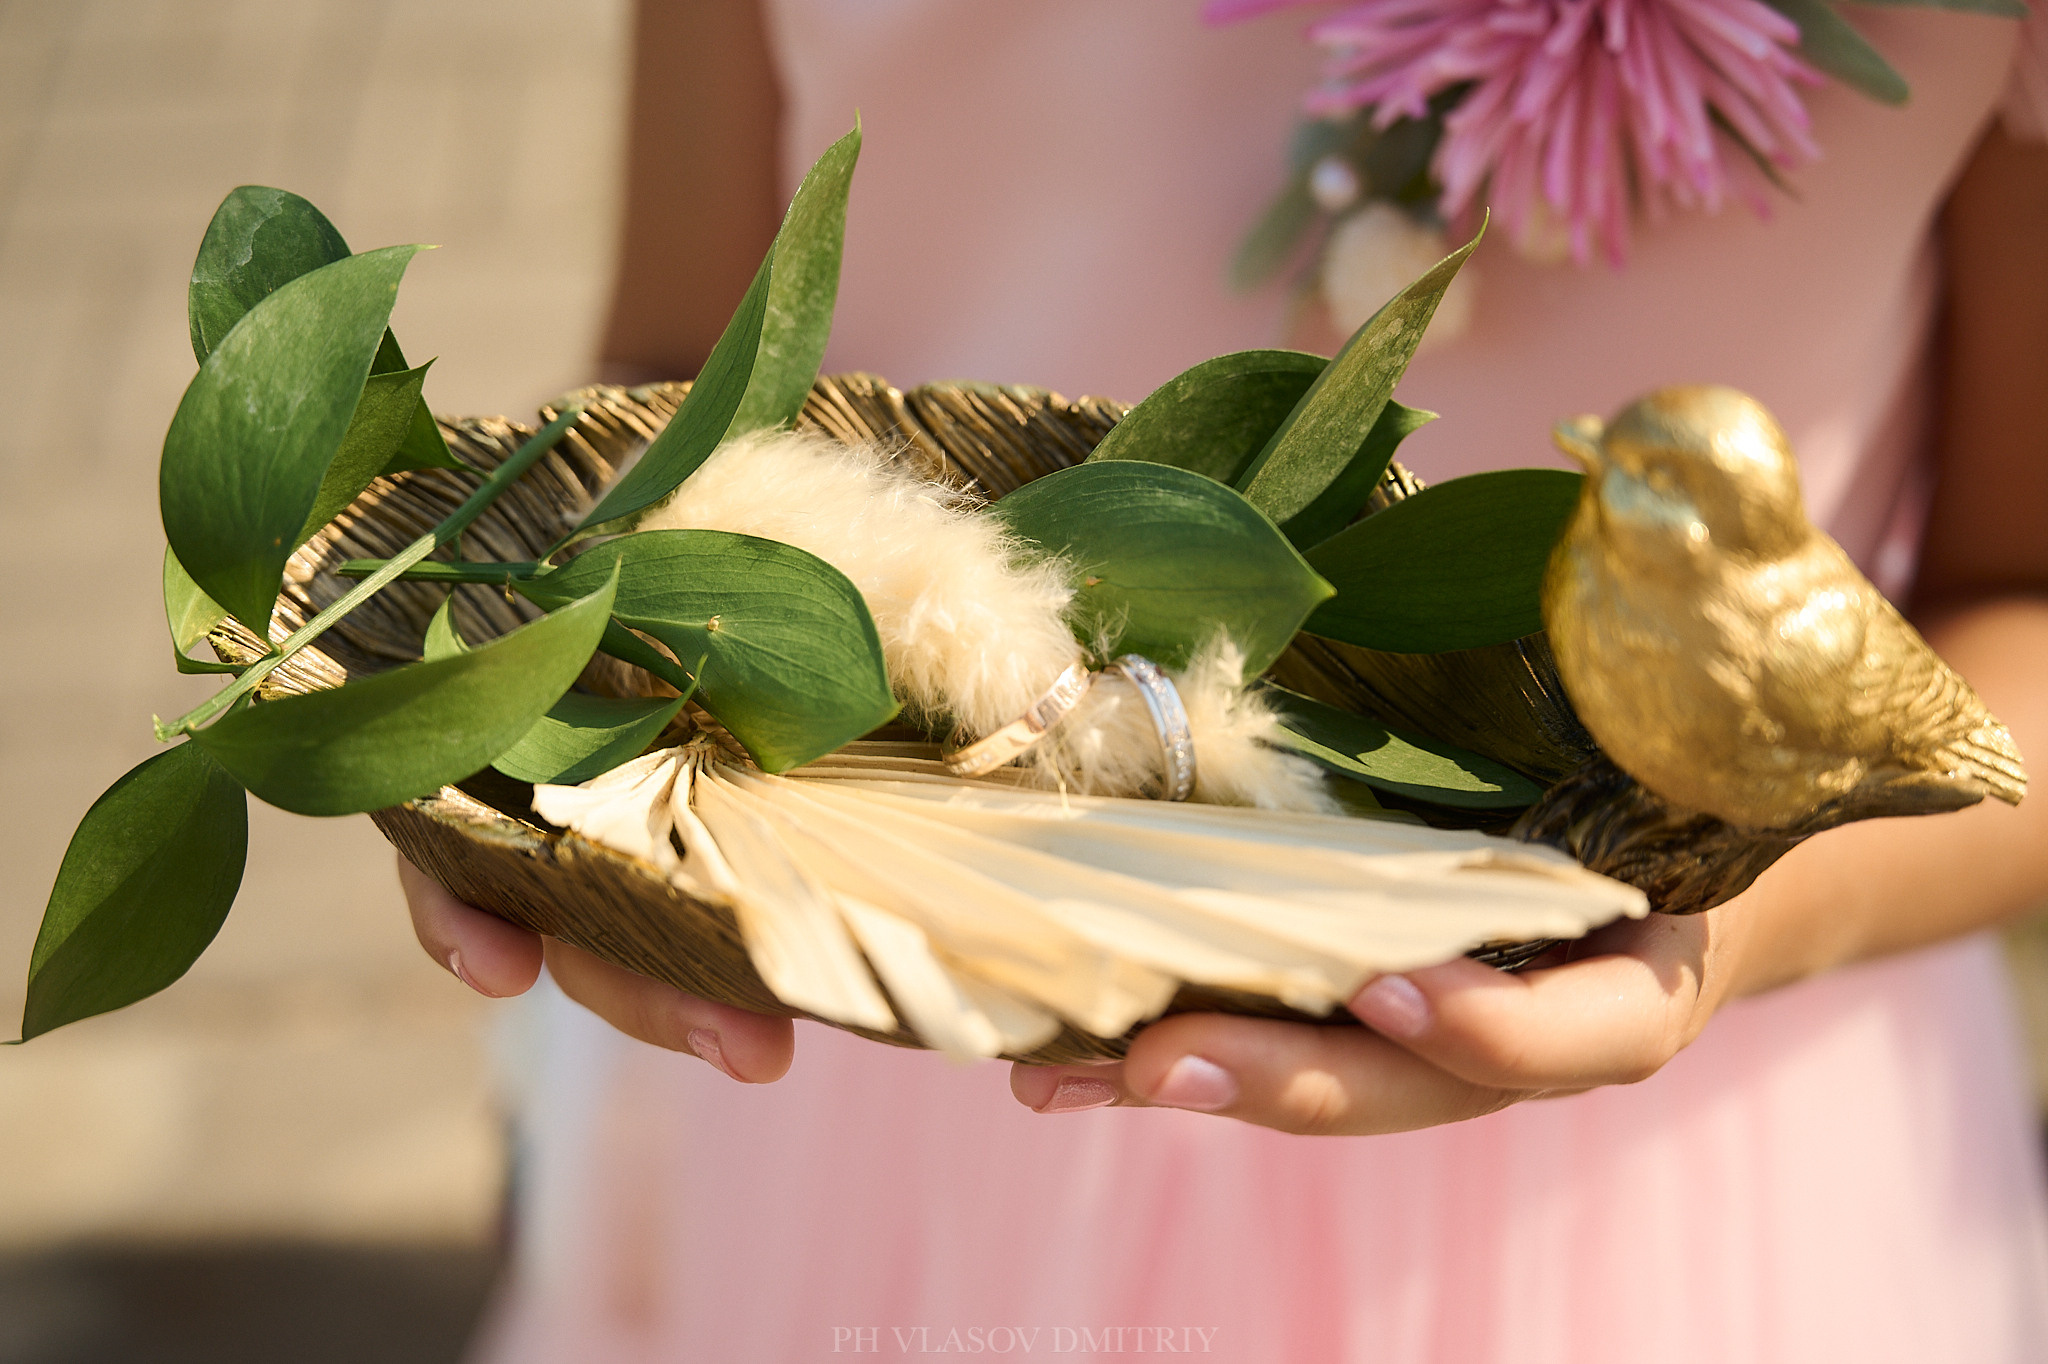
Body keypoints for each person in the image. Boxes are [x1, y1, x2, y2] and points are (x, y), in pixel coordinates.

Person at [403, 2, 2048, 1358]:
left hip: (1666, 1190)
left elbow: (2023, 603)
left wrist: (1724, 916)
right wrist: (539, 677)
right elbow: (682, 371)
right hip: (914, 1020)